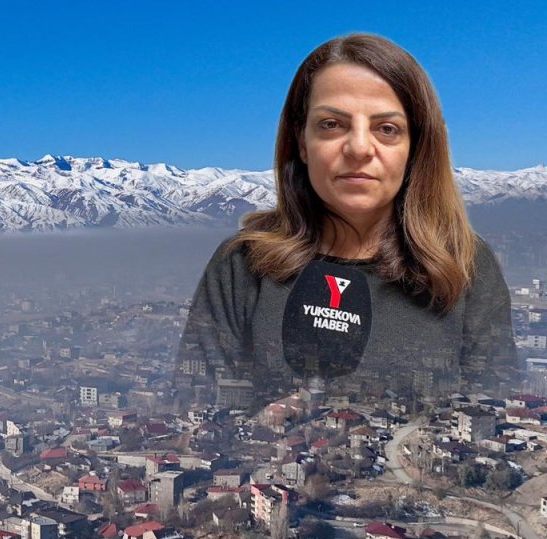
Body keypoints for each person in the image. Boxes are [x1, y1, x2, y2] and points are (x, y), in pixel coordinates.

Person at [176, 33, 518, 412]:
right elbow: (198, 412)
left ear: (416, 147)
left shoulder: (467, 264)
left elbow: (496, 412)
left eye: (387, 129)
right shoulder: (242, 265)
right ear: (301, 142)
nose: (358, 148)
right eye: (332, 124)